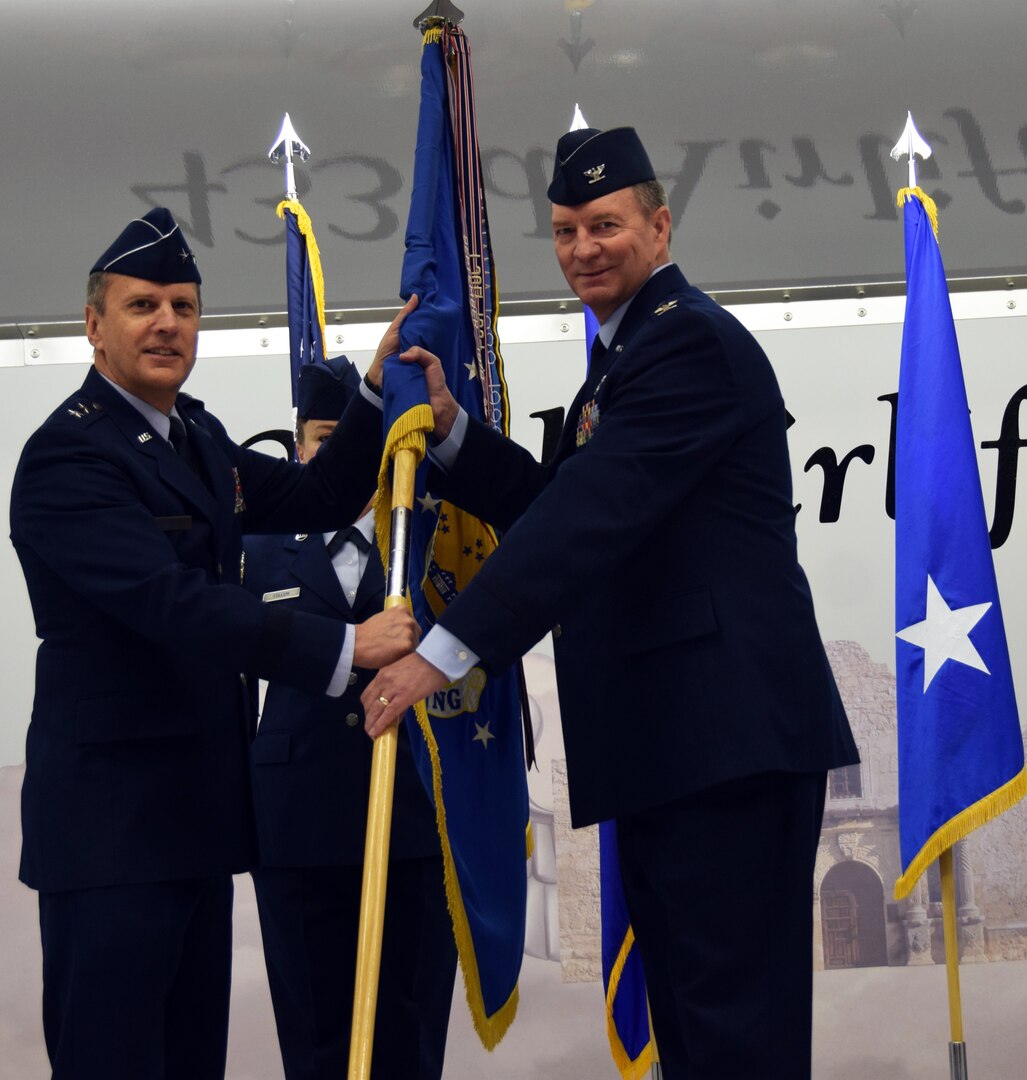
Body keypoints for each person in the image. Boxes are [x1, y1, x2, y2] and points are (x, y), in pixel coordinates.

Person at [362, 127, 859, 1079]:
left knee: (730, 1034)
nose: (583, 247)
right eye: (563, 230)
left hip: (726, 750)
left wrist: (446, 649)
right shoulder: (634, 350)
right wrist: (456, 432)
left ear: (659, 225)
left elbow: (591, 513)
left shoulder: (688, 345)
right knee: (698, 1030)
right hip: (683, 749)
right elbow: (572, 502)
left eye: (605, 224)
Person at [8, 207, 419, 1080]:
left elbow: (318, 497)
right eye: (143, 305)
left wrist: (377, 392)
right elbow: (173, 605)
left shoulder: (194, 437)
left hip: (193, 823)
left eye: (184, 307)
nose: (166, 324)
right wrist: (345, 651)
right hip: (111, 835)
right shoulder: (68, 459)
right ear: (93, 325)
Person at [243, 355, 456, 1080]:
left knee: (410, 1031)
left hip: (416, 820)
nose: (336, 458)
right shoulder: (252, 551)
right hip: (295, 824)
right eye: (321, 439)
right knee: (313, 1035)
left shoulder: (437, 544)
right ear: (297, 446)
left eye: (355, 440)